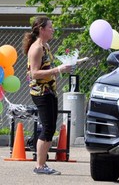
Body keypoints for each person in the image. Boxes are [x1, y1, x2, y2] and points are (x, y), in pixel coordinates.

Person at [23, 16, 72, 175]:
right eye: (50, 27)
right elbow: (35, 73)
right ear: (41, 29)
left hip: (50, 91)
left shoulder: (46, 46)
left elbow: (46, 68)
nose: (52, 30)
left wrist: (61, 69)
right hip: (41, 92)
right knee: (48, 128)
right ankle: (40, 165)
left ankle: (42, 164)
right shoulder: (37, 48)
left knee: (50, 128)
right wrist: (58, 70)